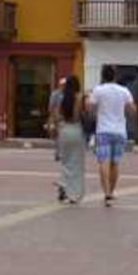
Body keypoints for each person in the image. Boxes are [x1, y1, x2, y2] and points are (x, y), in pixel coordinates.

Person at [86, 66, 136, 207]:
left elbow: (89, 108)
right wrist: (124, 112)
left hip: (103, 130)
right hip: (120, 131)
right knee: (115, 163)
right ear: (115, 76)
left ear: (103, 76)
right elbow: (132, 110)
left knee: (104, 162)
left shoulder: (98, 90)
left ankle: (107, 193)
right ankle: (112, 191)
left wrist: (94, 110)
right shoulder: (124, 91)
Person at [54, 75, 86, 204]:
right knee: (76, 163)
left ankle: (63, 184)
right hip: (76, 130)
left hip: (64, 130)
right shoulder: (80, 97)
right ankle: (74, 194)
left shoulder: (62, 98)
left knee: (65, 161)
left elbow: (57, 116)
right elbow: (79, 115)